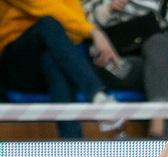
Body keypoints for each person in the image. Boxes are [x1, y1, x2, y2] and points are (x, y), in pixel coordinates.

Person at [0, 0, 121, 138]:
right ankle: (97, 95)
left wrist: (83, 31)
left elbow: (75, 32)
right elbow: (41, 6)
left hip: (46, 65)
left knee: (51, 58)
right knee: (48, 23)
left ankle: (72, 144)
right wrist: (94, 32)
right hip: (14, 65)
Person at [83, 0, 168, 137]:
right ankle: (160, 138)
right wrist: (108, 9)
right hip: (113, 63)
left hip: (155, 56)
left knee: (161, 46)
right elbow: (82, 18)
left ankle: (157, 127)